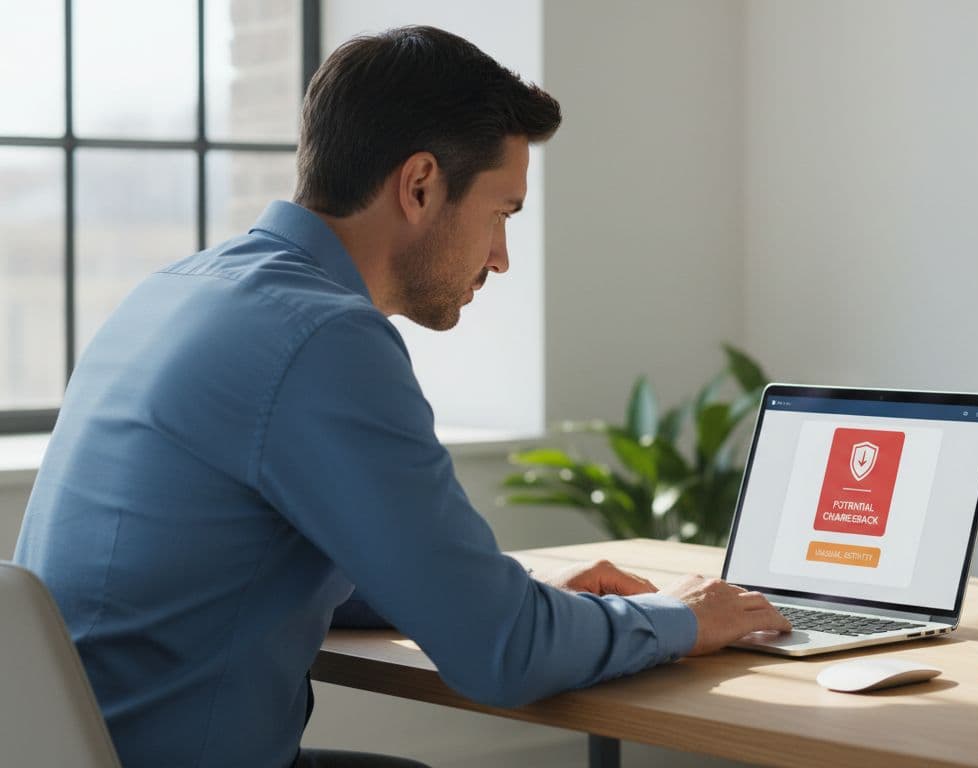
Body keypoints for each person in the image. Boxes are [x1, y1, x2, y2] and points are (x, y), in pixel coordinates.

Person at [13, 25, 789, 768]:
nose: (501, 256)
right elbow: (502, 655)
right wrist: (686, 618)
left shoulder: (174, 293)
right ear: (419, 186)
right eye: (501, 213)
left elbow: (233, 562)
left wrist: (502, 593)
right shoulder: (322, 338)